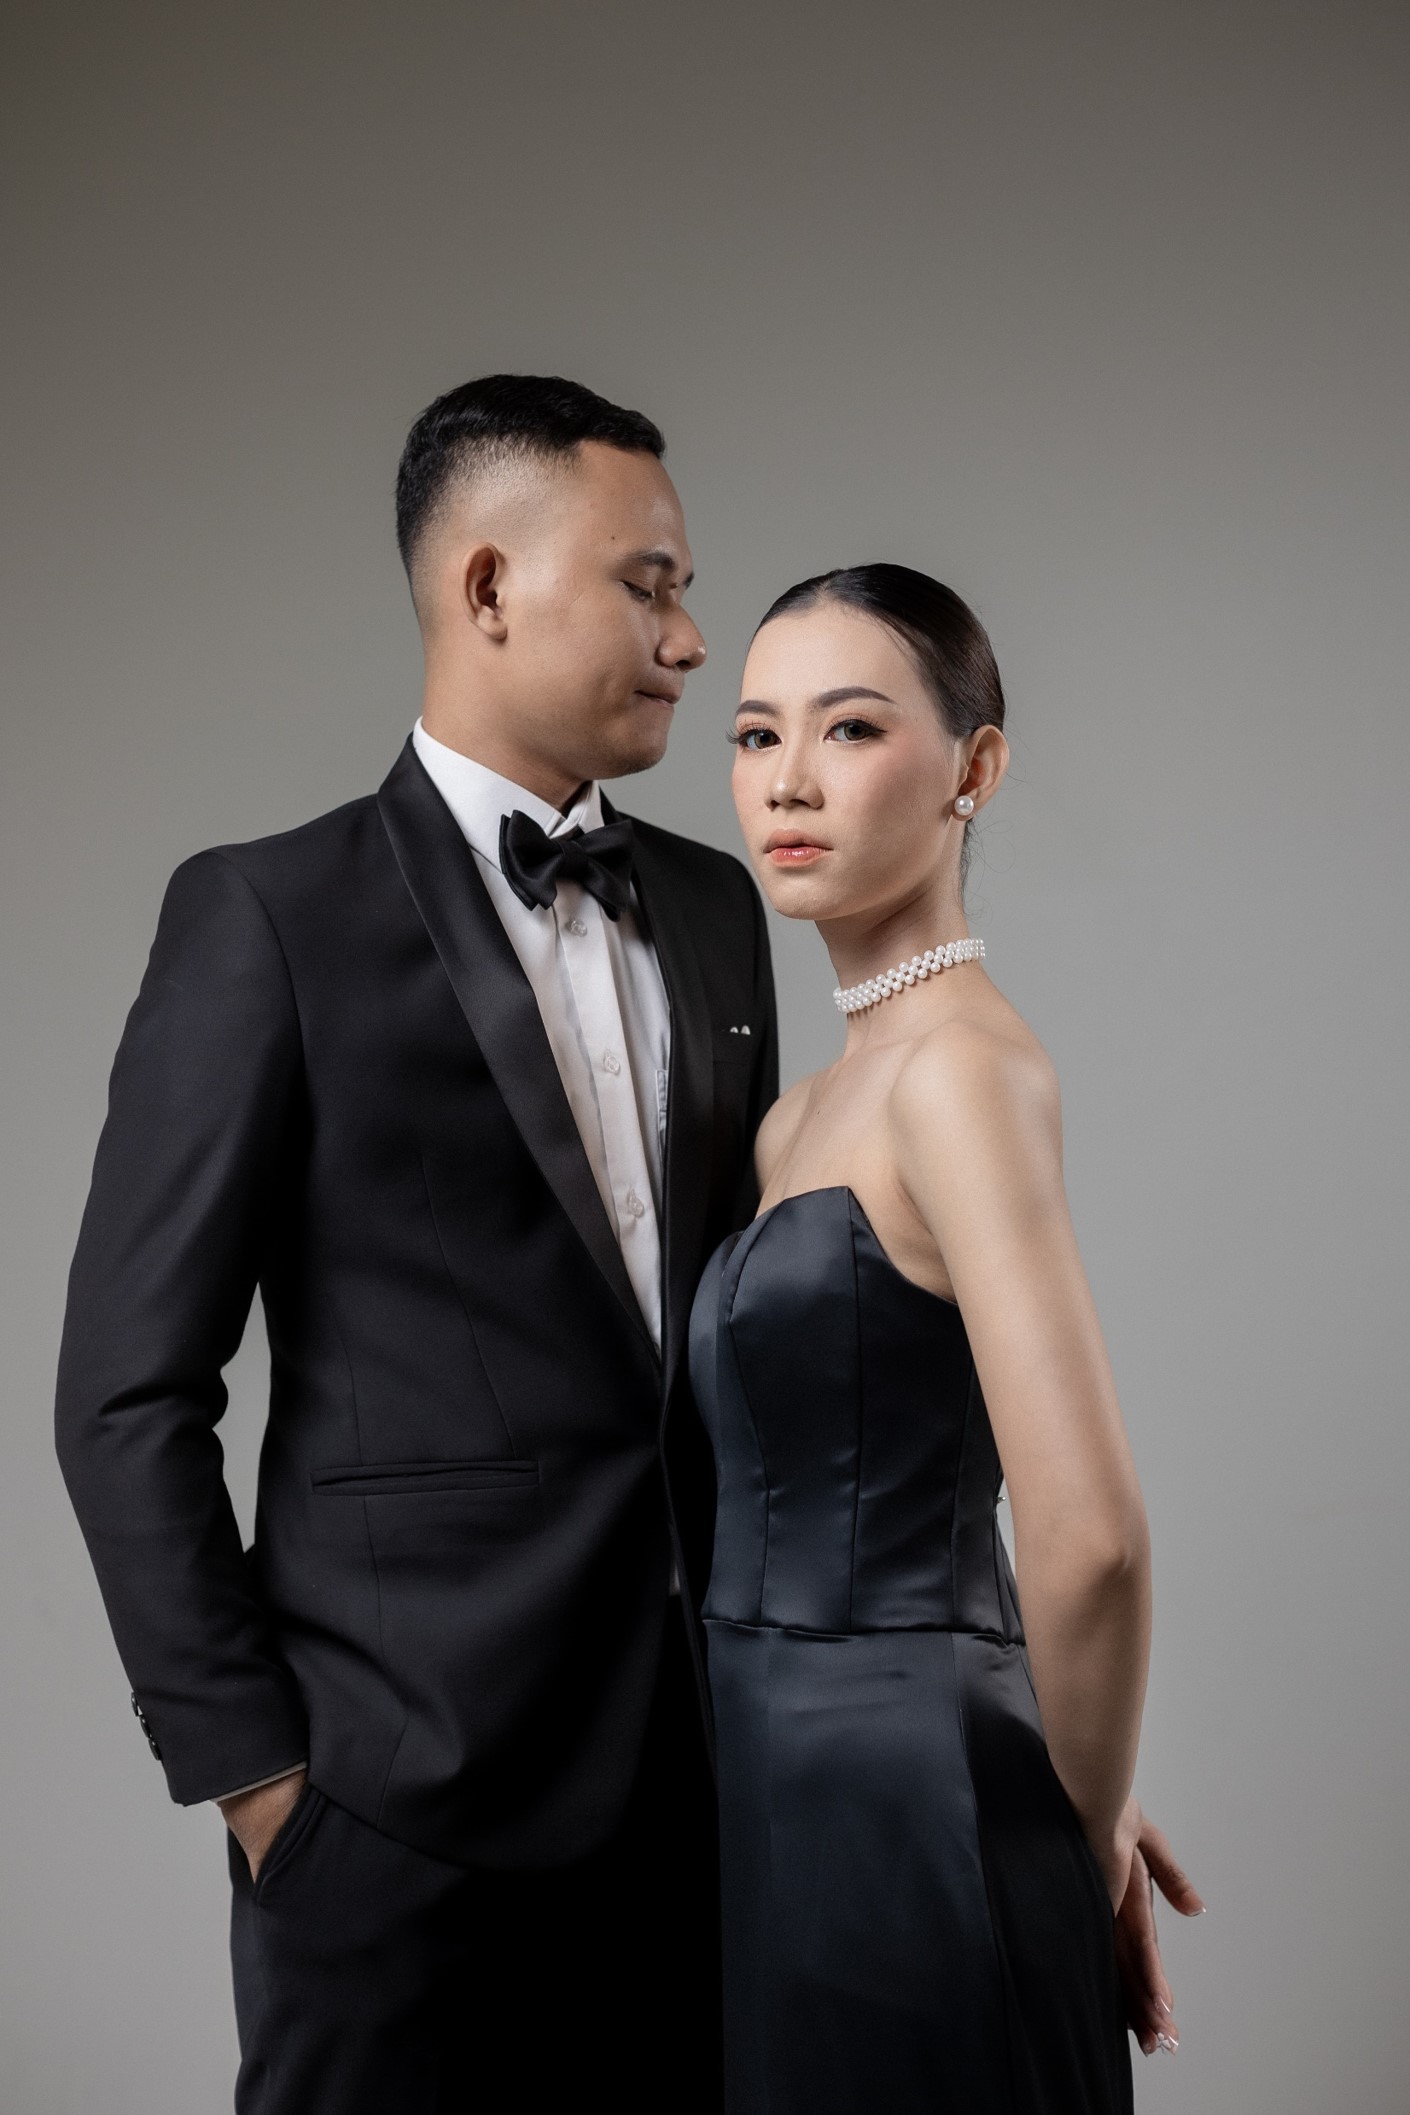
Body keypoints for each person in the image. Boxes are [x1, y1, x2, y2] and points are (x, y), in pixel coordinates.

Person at [54, 374, 779, 2113]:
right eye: (649, 585)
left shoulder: (713, 907)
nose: (692, 640)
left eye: (685, 593)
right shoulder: (266, 916)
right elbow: (125, 1394)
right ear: (486, 587)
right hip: (391, 1817)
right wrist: (260, 1784)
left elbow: (749, 1353)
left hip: (705, 1799)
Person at [691, 563, 1203, 2112]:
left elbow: (1089, 1538)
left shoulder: (962, 1076)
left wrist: (1077, 1824)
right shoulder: (797, 1115)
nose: (787, 780)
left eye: (849, 729)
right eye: (755, 733)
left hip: (906, 1792)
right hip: (755, 1777)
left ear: (973, 768)